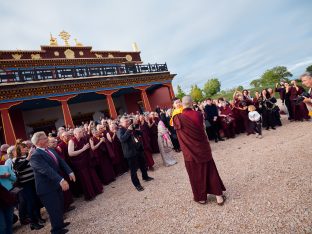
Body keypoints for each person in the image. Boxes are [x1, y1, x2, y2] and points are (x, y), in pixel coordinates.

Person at [173, 96, 226, 205]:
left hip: (189, 151)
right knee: (211, 171)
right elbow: (203, 130)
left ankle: (201, 198)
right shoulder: (198, 114)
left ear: (182, 104)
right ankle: (218, 197)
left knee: (195, 174)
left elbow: (179, 134)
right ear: (192, 103)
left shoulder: (177, 118)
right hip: (202, 148)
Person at [30, 131, 75, 234]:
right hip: (47, 188)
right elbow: (46, 170)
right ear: (39, 141)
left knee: (59, 205)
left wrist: (70, 171)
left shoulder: (49, 150)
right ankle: (56, 230)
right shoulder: (35, 155)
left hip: (55, 184)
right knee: (53, 209)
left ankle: (60, 223)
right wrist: (61, 180)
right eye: (45, 138)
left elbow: (61, 161)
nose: (47, 139)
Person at [117, 116, 154, 192]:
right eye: (125, 121)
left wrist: (137, 130)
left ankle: (145, 177)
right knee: (134, 170)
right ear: (121, 123)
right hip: (130, 153)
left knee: (143, 164)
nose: (128, 122)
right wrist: (128, 130)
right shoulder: (120, 130)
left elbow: (137, 133)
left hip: (138, 149)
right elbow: (122, 139)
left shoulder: (131, 127)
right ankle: (137, 185)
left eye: (128, 121)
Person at [13, 143, 44, 230]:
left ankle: (38, 218)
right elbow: (18, 168)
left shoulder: (28, 156)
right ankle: (33, 223)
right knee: (31, 202)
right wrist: (27, 159)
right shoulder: (16, 160)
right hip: (25, 185)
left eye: (26, 147)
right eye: (23, 147)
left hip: (34, 181)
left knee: (37, 200)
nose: (26, 148)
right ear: (19, 150)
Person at [68, 128, 103, 200]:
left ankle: (96, 190)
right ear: (75, 134)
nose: (82, 133)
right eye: (80, 132)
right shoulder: (72, 141)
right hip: (80, 164)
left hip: (87, 161)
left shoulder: (83, 139)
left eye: (81, 131)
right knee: (85, 179)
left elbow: (89, 148)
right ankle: (90, 195)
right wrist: (83, 149)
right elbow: (70, 153)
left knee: (92, 176)